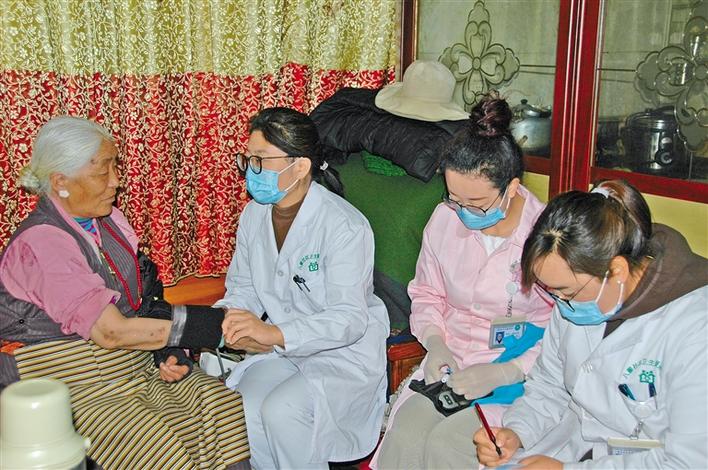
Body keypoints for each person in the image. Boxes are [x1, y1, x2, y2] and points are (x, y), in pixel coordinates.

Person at [0, 116, 247, 469]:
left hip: (130, 368)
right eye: (103, 171)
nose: (116, 180)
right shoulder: (42, 243)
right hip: (72, 386)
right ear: (60, 181)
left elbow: (145, 298)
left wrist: (167, 350)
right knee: (155, 442)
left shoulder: (109, 221)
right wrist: (217, 328)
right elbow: (111, 332)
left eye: (115, 167)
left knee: (218, 404)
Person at [474, 179, 708, 469]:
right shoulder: (576, 299)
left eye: (567, 292)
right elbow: (549, 385)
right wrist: (517, 433)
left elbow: (690, 461)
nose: (559, 302)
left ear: (617, 270)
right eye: (552, 292)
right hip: (572, 446)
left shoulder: (695, 329)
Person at [372, 94, 553, 469]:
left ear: (512, 188)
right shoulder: (444, 219)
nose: (464, 213)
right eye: (455, 199)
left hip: (520, 373)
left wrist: (508, 370)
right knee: (404, 437)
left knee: (450, 446)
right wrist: (436, 342)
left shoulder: (546, 237)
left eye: (478, 204)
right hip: (451, 365)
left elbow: (563, 328)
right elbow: (427, 293)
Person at [218, 107, 389, 469]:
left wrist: (273, 333)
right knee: (242, 405)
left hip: (343, 353)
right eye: (248, 159)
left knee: (282, 411)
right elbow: (244, 286)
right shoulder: (253, 215)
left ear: (299, 167)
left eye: (261, 160)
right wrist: (228, 320)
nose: (250, 170)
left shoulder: (344, 226)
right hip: (285, 348)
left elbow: (348, 319)